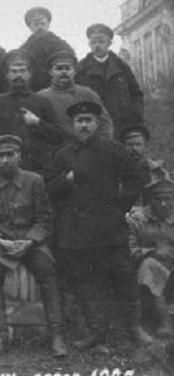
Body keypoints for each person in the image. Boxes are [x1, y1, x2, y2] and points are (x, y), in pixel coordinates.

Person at [45, 101, 151, 352]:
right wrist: (66, 180)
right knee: (86, 281)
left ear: (96, 123)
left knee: (123, 275)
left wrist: (120, 205)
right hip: (77, 230)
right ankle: (96, 333)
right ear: (73, 125)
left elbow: (135, 178)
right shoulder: (63, 155)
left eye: (88, 120)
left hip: (110, 227)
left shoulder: (113, 150)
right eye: (79, 121)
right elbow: (48, 188)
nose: (84, 125)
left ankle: (134, 327)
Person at [0, 135, 67, 358]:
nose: (5, 160)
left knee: (47, 270)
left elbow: (44, 219)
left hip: (29, 242)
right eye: (0, 156)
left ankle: (56, 334)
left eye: (10, 154)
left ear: (19, 156)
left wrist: (30, 241)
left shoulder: (34, 181)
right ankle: (0, 334)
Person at [0, 49, 61, 174]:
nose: (18, 75)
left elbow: (57, 136)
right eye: (14, 71)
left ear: (29, 74)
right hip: (5, 168)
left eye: (22, 71)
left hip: (37, 168)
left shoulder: (42, 102)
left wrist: (38, 123)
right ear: (7, 74)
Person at [75, 23, 144, 139]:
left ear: (109, 43)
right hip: (95, 128)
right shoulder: (81, 69)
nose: (97, 45)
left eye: (101, 42)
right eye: (93, 42)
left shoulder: (121, 67)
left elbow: (136, 94)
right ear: (89, 44)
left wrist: (136, 115)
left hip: (123, 125)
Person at [128, 179, 174, 339]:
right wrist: (152, 252)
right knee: (149, 266)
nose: (163, 204)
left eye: (167, 199)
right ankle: (164, 322)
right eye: (157, 199)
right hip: (145, 280)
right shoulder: (136, 220)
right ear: (149, 199)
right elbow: (128, 250)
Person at [36, 50, 113, 140]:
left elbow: (105, 124)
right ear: (50, 72)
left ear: (74, 71)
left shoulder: (87, 94)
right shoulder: (40, 97)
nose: (64, 72)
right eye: (59, 68)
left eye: (68, 68)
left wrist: (100, 144)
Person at [19, 7, 75, 92]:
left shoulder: (62, 46)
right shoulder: (24, 50)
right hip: (34, 90)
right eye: (36, 24)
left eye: (43, 24)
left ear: (48, 24)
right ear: (30, 27)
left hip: (58, 89)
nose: (40, 27)